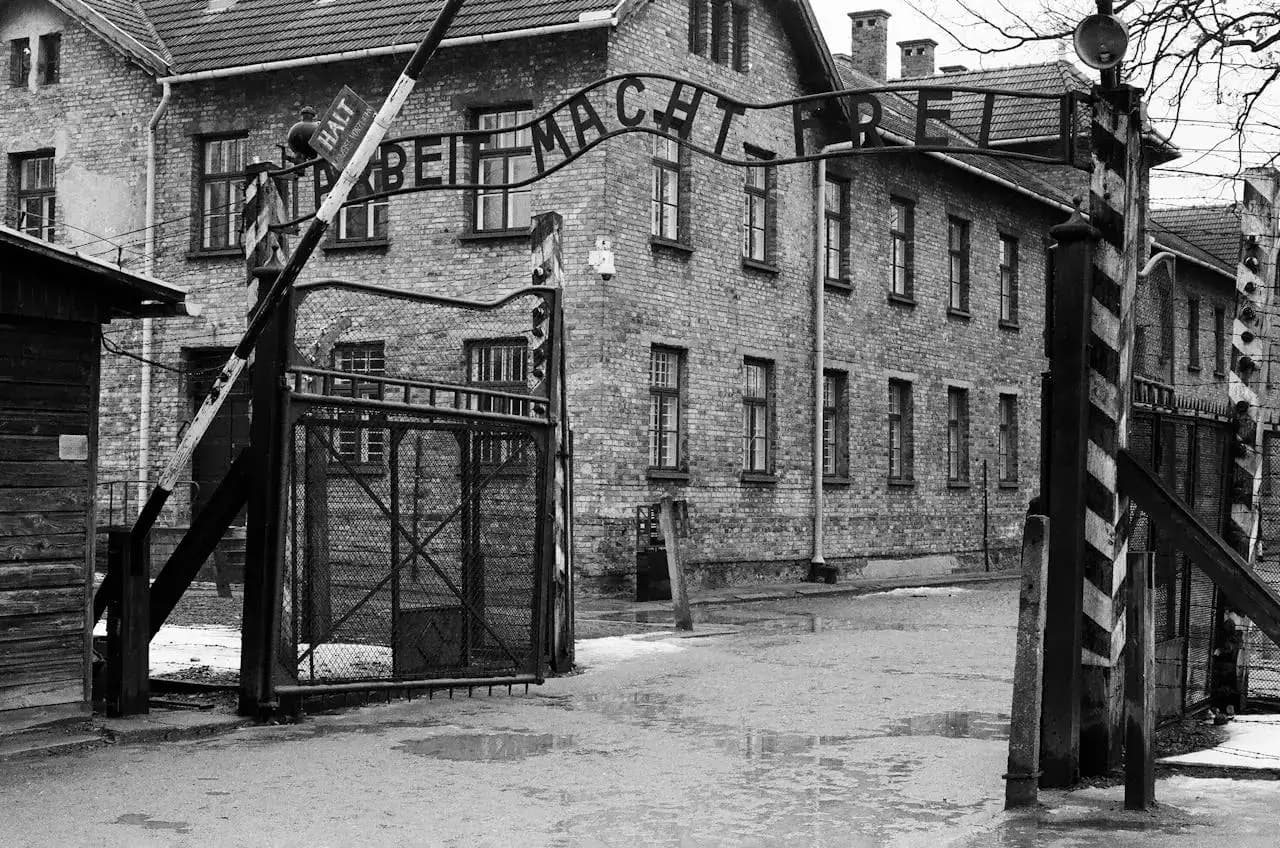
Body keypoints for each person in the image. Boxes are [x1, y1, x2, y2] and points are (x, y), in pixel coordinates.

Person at [1210, 607, 1245, 725]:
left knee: (1222, 688)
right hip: (1230, 668)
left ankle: (1222, 709)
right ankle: (1226, 709)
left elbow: (1228, 648)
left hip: (1225, 667)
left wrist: (1220, 651)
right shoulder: (1237, 636)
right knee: (1228, 688)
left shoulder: (1228, 636)